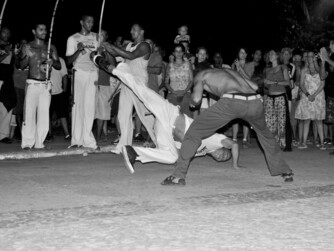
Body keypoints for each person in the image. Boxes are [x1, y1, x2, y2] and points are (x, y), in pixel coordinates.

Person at [92, 56, 240, 173]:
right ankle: (115, 68)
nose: (222, 157)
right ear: (222, 148)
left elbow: (180, 147)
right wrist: (235, 164)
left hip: (166, 129)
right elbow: (234, 145)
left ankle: (133, 152)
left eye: (222, 160)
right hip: (171, 115)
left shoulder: (201, 152)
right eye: (225, 154)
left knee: (172, 157)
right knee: (143, 92)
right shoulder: (216, 140)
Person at [157, 68, 293, 185]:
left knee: (194, 133)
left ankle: (177, 176)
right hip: (255, 101)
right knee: (266, 135)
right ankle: (285, 170)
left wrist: (193, 102)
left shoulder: (201, 75)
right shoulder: (230, 72)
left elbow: (197, 100)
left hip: (232, 101)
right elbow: (256, 87)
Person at [101, 23, 157, 153]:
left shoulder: (144, 45)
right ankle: (124, 145)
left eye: (134, 29)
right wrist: (106, 49)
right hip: (127, 83)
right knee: (123, 114)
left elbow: (130, 56)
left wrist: (111, 46)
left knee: (145, 114)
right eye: (131, 29)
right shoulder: (128, 46)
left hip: (139, 83)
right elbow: (115, 58)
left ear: (142, 31)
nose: (131, 31)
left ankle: (157, 139)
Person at [15, 22, 61, 149]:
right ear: (34, 31)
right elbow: (21, 65)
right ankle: (27, 143)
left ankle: (40, 142)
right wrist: (26, 56)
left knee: (44, 115)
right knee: (29, 114)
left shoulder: (51, 47)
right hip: (32, 84)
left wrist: (53, 60)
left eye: (45, 29)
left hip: (46, 85)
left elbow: (59, 66)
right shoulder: (28, 46)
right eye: (41, 29)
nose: (44, 32)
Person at [66, 14, 99, 150]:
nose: (91, 24)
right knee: (78, 106)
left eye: (92, 22)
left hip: (93, 73)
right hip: (79, 73)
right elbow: (68, 61)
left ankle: (88, 140)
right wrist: (78, 50)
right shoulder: (73, 39)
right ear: (82, 22)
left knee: (90, 108)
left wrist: (100, 52)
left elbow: (98, 56)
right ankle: (76, 140)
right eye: (88, 21)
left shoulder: (96, 37)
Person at [294, 50, 326, 149]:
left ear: (315, 57)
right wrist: (308, 95)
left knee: (319, 120)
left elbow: (322, 83)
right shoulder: (304, 70)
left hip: (318, 96)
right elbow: (301, 84)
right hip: (307, 96)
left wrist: (314, 95)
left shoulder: (320, 69)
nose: (310, 58)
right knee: (306, 119)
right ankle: (303, 142)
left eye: (312, 56)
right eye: (308, 56)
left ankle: (322, 143)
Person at [94, 30, 115, 143]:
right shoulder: (93, 47)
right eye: (99, 34)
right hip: (92, 84)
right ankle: (94, 135)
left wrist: (106, 52)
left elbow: (112, 65)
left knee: (102, 113)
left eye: (102, 35)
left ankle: (98, 137)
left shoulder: (107, 50)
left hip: (104, 84)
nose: (100, 36)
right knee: (94, 112)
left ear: (106, 37)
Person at [163, 43, 194, 118]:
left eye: (180, 51)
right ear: (173, 53)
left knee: (187, 119)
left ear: (183, 53)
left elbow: (191, 81)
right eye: (176, 51)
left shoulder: (188, 64)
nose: (179, 53)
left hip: (186, 94)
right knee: (172, 119)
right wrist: (174, 91)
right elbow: (166, 82)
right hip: (172, 95)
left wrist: (184, 91)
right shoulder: (169, 65)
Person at [0, 27, 16, 144]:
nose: (6, 34)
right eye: (4, 32)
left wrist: (15, 53)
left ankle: (3, 135)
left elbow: (14, 63)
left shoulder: (11, 46)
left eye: (8, 32)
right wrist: (6, 52)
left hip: (8, 79)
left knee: (8, 105)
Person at [49, 57, 70, 140]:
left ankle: (67, 134)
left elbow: (65, 75)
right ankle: (49, 134)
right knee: (47, 115)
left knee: (62, 114)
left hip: (59, 91)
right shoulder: (43, 57)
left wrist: (64, 91)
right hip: (47, 91)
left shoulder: (60, 60)